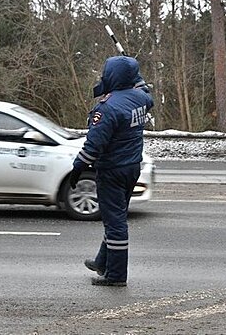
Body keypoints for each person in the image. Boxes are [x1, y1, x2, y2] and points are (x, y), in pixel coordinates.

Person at [70, 56, 154, 287]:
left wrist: (78, 168)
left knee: (115, 223)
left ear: (113, 76)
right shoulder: (141, 99)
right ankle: (102, 262)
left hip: (112, 171)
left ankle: (116, 275)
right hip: (131, 167)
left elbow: (94, 144)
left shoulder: (108, 108)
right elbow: (145, 90)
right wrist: (137, 78)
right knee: (116, 215)